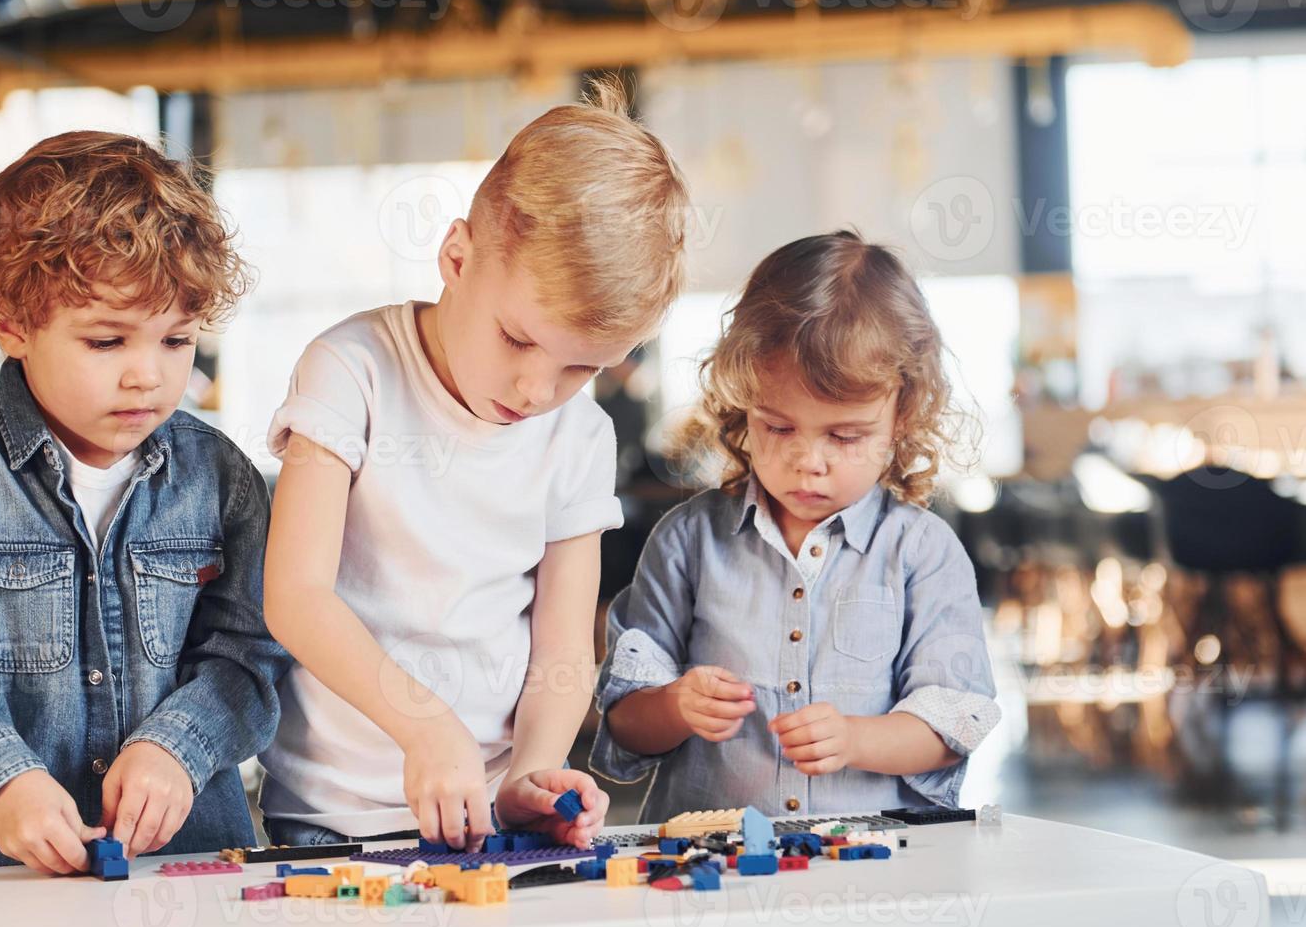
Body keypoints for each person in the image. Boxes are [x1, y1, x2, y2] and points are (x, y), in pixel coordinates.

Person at [0, 131, 286, 927]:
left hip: (188, 879)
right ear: (11, 323)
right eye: (106, 340)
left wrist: (177, 745)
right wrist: (2, 777)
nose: (148, 376)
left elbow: (253, 649)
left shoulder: (221, 475)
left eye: (176, 340)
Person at [257, 80, 691, 849]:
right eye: (518, 339)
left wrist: (532, 770)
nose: (535, 389)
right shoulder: (350, 369)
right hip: (331, 818)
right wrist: (428, 729)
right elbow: (295, 599)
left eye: (578, 368)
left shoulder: (578, 437)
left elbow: (561, 648)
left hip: (490, 823)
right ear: (456, 255)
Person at [592, 230, 1000, 822]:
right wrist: (676, 706)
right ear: (741, 404)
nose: (809, 460)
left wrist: (858, 739)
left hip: (873, 870)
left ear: (902, 414)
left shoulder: (923, 553)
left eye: (846, 435)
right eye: (779, 428)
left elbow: (951, 723)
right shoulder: (687, 541)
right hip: (711, 873)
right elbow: (627, 722)